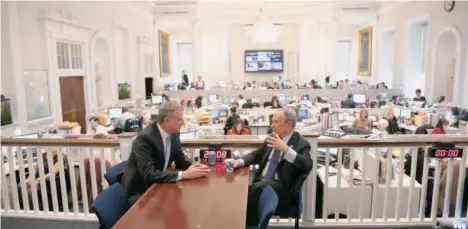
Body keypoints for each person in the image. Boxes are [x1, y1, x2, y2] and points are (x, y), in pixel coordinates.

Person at [119, 101, 210, 205]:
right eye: (179, 120)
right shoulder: (144, 138)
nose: (183, 123)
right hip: (141, 191)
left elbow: (180, 160)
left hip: (159, 185)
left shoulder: (174, 133)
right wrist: (184, 175)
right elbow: (149, 174)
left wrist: (197, 168)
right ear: (167, 121)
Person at [231, 109, 312, 225]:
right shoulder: (272, 137)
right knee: (246, 188)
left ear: (288, 124)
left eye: (276, 122)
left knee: (254, 190)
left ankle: (246, 225)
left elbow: (307, 165)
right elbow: (256, 155)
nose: (271, 125)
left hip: (282, 189)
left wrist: (286, 149)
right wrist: (238, 162)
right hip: (261, 182)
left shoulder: (301, 144)